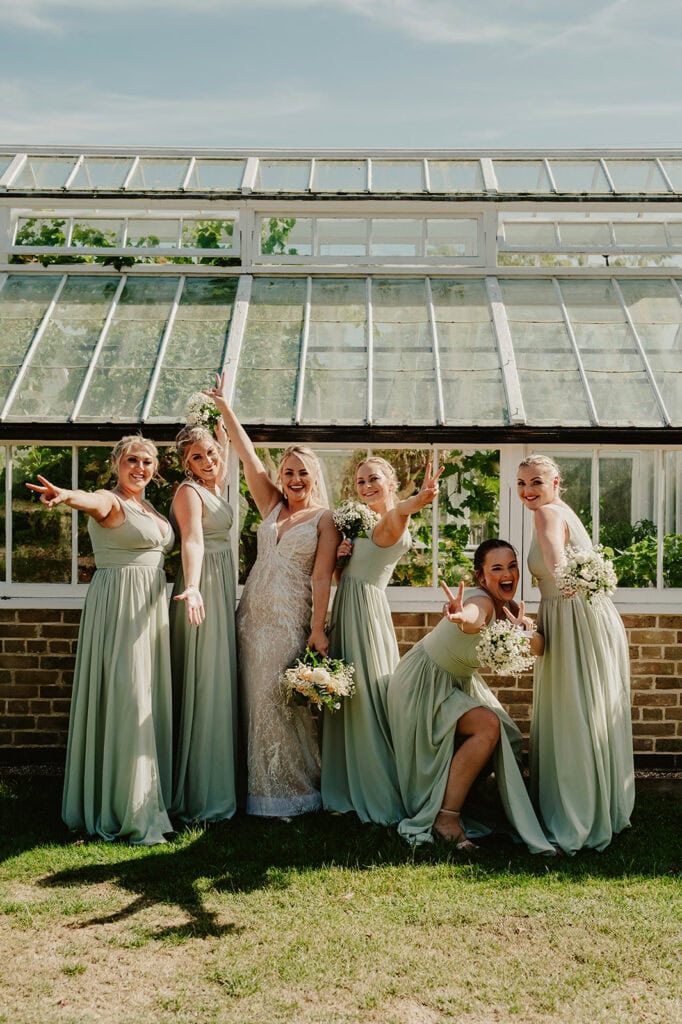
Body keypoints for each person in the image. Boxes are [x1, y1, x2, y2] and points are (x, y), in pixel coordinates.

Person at [27, 436, 174, 845]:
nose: (140, 468)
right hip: (121, 610)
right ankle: (127, 808)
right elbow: (89, 500)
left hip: (149, 611)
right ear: (116, 464)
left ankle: (149, 796)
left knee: (146, 697)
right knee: (129, 699)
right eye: (132, 460)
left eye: (147, 461)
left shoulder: (148, 506)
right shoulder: (111, 501)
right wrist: (65, 495)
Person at [207, 373, 339, 818]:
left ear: (314, 476)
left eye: (303, 472)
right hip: (251, 618)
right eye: (289, 472)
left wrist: (317, 628)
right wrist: (226, 408)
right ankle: (254, 791)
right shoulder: (272, 506)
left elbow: (323, 577)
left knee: (277, 703)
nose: (295, 479)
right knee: (251, 701)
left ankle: (291, 794)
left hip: (288, 620)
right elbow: (246, 457)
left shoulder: (325, 519)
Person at [386, 540, 555, 854]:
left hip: (455, 682)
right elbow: (473, 615)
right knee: (487, 726)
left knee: (507, 734)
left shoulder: (512, 610)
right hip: (423, 681)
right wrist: (459, 614)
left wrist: (524, 630)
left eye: (512, 565)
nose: (508, 574)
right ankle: (445, 820)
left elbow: (541, 647)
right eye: (497, 568)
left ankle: (468, 803)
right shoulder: (482, 602)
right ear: (481, 578)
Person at [516, 454, 635, 853]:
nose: (528, 491)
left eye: (535, 482)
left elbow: (555, 560)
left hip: (572, 618)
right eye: (521, 484)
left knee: (573, 710)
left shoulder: (547, 513)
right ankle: (601, 807)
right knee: (590, 707)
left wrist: (563, 580)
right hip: (588, 615)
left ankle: (575, 815)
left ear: (556, 481)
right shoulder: (566, 511)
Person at [322, 456, 443, 823]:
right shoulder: (362, 524)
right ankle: (346, 785)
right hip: (347, 609)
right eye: (360, 481)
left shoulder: (391, 522)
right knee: (347, 695)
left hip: (367, 617)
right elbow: (344, 580)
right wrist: (342, 560)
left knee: (367, 697)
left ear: (391, 483)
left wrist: (418, 499)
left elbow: (401, 513)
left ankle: (378, 787)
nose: (365, 486)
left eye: (374, 479)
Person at [168, 422, 238, 825]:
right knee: (204, 679)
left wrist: (222, 407)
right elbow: (191, 540)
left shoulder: (216, 481)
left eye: (211, 452)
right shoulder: (189, 492)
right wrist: (193, 587)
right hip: (202, 585)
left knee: (217, 678)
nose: (209, 461)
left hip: (220, 579)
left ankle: (219, 782)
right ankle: (199, 791)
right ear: (185, 464)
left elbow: (225, 446)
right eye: (197, 457)